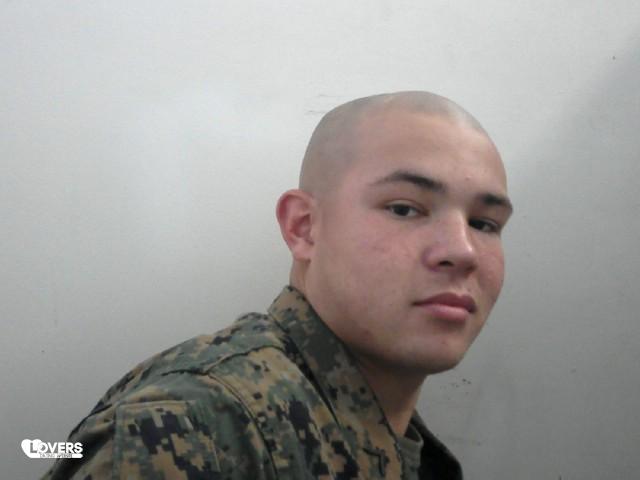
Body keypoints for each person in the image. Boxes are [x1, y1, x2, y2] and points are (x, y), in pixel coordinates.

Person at [42, 91, 512, 479]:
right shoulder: (190, 433)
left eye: (484, 223)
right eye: (404, 209)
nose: (463, 251)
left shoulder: (392, 442)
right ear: (304, 227)